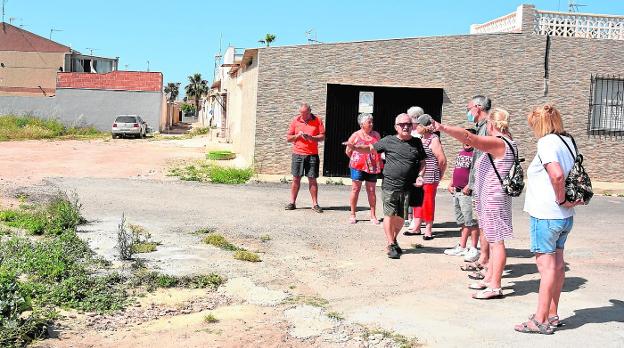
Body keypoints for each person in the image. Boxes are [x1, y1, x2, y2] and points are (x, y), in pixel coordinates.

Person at [431, 108, 516, 299]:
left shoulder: (499, 142)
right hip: (489, 198)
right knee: (493, 242)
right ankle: (489, 278)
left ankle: (495, 286)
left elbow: (470, 138)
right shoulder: (507, 141)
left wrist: (442, 127)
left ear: (491, 124)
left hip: (494, 199)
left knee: (496, 243)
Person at [514, 104, 583, 334]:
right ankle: (552, 314)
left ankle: (540, 319)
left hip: (546, 215)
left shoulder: (546, 143)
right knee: (558, 265)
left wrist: (560, 198)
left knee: (546, 268)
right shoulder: (568, 141)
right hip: (564, 217)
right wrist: (564, 203)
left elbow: (557, 174)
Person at [345, 113, 426, 259]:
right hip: (390, 185)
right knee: (389, 215)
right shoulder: (388, 140)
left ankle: (393, 240)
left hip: (408, 186)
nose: (405, 127)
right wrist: (355, 148)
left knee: (401, 218)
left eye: (408, 124)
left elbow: (422, 162)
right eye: (402, 125)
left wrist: (420, 176)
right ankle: (391, 244)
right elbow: (369, 148)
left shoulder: (417, 143)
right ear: (396, 127)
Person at [461, 95, 492, 268]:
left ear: (478, 107)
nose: (468, 112)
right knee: (482, 222)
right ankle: (483, 257)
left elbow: (484, 158)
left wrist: (473, 184)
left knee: (486, 223)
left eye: (469, 108)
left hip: (486, 184)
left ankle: (485, 259)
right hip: (480, 183)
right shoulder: (480, 127)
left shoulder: (488, 127)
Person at [405, 114, 446, 240]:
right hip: (420, 176)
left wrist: (440, 175)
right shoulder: (421, 139)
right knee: (418, 201)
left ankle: (428, 229)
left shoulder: (434, 139)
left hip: (430, 176)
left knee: (427, 202)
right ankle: (417, 227)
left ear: (424, 126)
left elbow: (442, 160)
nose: (415, 127)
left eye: (418, 125)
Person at [444, 128, 479, 258]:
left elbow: (477, 173)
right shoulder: (462, 152)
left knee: (472, 222)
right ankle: (462, 246)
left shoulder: (477, 154)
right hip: (457, 192)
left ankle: (474, 248)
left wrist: (470, 185)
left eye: (469, 137)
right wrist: (451, 183)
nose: (466, 141)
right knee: (463, 221)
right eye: (464, 138)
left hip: (467, 193)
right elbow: (458, 170)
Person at [285, 103, 325, 213]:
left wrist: (311, 137)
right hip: (297, 154)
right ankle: (292, 202)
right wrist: (297, 136)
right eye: (301, 113)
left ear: (310, 111)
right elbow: (288, 138)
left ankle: (315, 204)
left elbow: (322, 136)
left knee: (312, 179)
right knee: (296, 178)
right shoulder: (295, 121)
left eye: (305, 113)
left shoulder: (318, 120)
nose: (303, 115)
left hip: (312, 154)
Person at [345, 113, 383, 224]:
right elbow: (348, 151)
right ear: (362, 124)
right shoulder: (355, 135)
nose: (371, 124)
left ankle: (373, 215)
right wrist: (356, 159)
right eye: (369, 122)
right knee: (355, 189)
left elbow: (379, 149)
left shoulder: (376, 135)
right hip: (357, 166)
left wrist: (378, 161)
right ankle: (352, 214)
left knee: (371, 191)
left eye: (372, 121)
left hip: (372, 167)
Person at [404, 106, 425, 227]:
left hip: (417, 165)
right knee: (407, 191)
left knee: (416, 192)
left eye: (410, 117)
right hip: (408, 165)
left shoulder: (420, 133)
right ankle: (408, 216)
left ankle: (416, 218)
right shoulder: (409, 131)